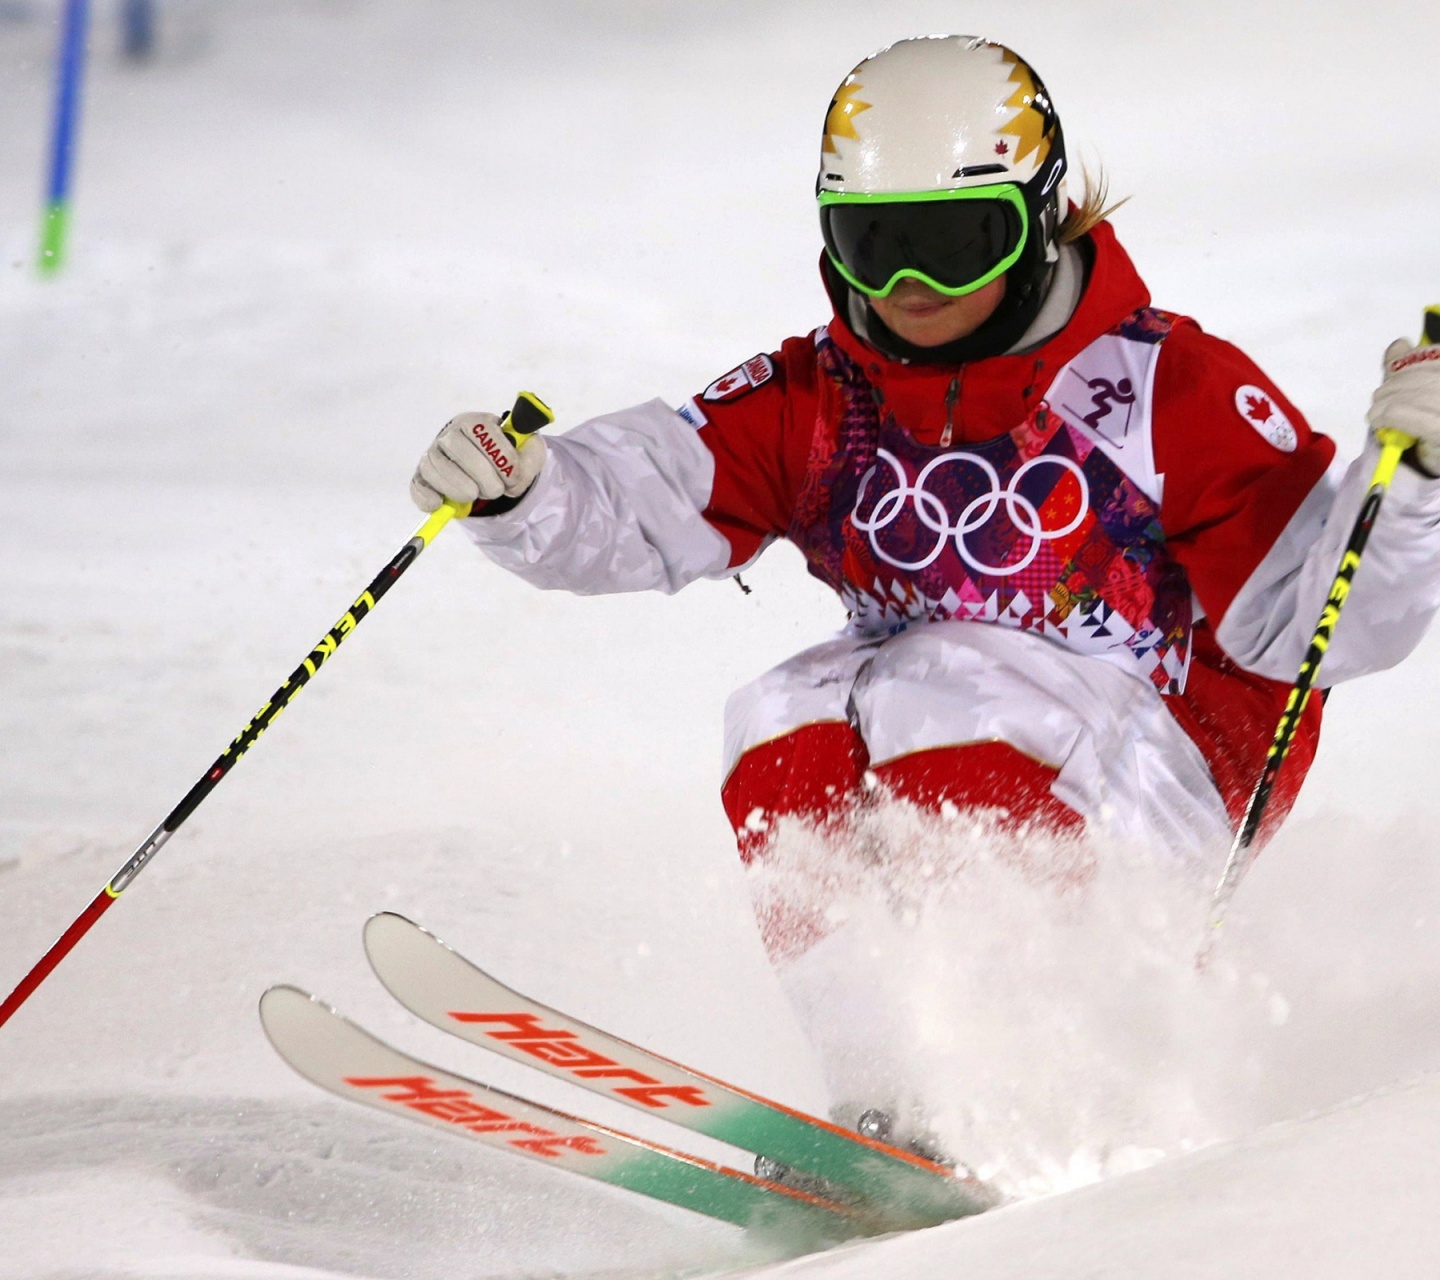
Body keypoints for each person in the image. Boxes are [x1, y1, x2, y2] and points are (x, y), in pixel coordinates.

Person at [411, 35, 1440, 921]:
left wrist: (1419, 484)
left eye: (956, 245)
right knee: (784, 716)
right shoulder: (824, 394)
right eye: (875, 245)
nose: (910, 287)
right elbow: (653, 497)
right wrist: (531, 491)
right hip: (954, 740)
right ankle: (886, 1070)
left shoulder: (1168, 385)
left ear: (1035, 219)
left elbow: (1324, 622)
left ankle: (1023, 1041)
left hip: (1169, 780)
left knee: (939, 690)